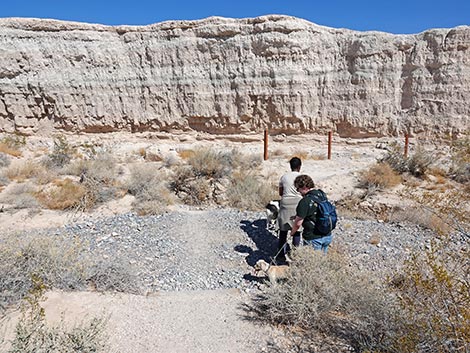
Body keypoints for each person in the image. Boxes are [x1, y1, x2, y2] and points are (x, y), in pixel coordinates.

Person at [290, 174, 332, 253]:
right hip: (327, 235)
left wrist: (292, 232)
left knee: (314, 262)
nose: (298, 191)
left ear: (304, 187)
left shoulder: (305, 201)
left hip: (313, 238)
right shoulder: (321, 194)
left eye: (298, 189)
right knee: (322, 261)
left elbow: (298, 224)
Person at [276, 157, 302, 260]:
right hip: (298, 203)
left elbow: (281, 193)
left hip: (285, 202)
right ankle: (295, 254)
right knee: (297, 230)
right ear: (299, 166)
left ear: (290, 166)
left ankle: (281, 254)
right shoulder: (302, 177)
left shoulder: (284, 177)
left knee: (283, 230)